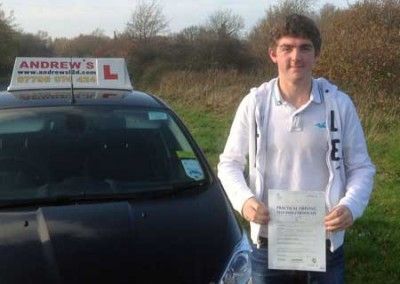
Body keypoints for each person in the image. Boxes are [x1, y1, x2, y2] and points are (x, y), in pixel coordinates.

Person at [217, 14, 375, 284]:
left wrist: (351, 205)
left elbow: (361, 167)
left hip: (325, 242)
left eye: (305, 47)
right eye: (287, 48)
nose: (296, 56)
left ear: (316, 54)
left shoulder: (339, 104)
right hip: (268, 242)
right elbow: (229, 163)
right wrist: (245, 202)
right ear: (273, 54)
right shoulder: (254, 104)